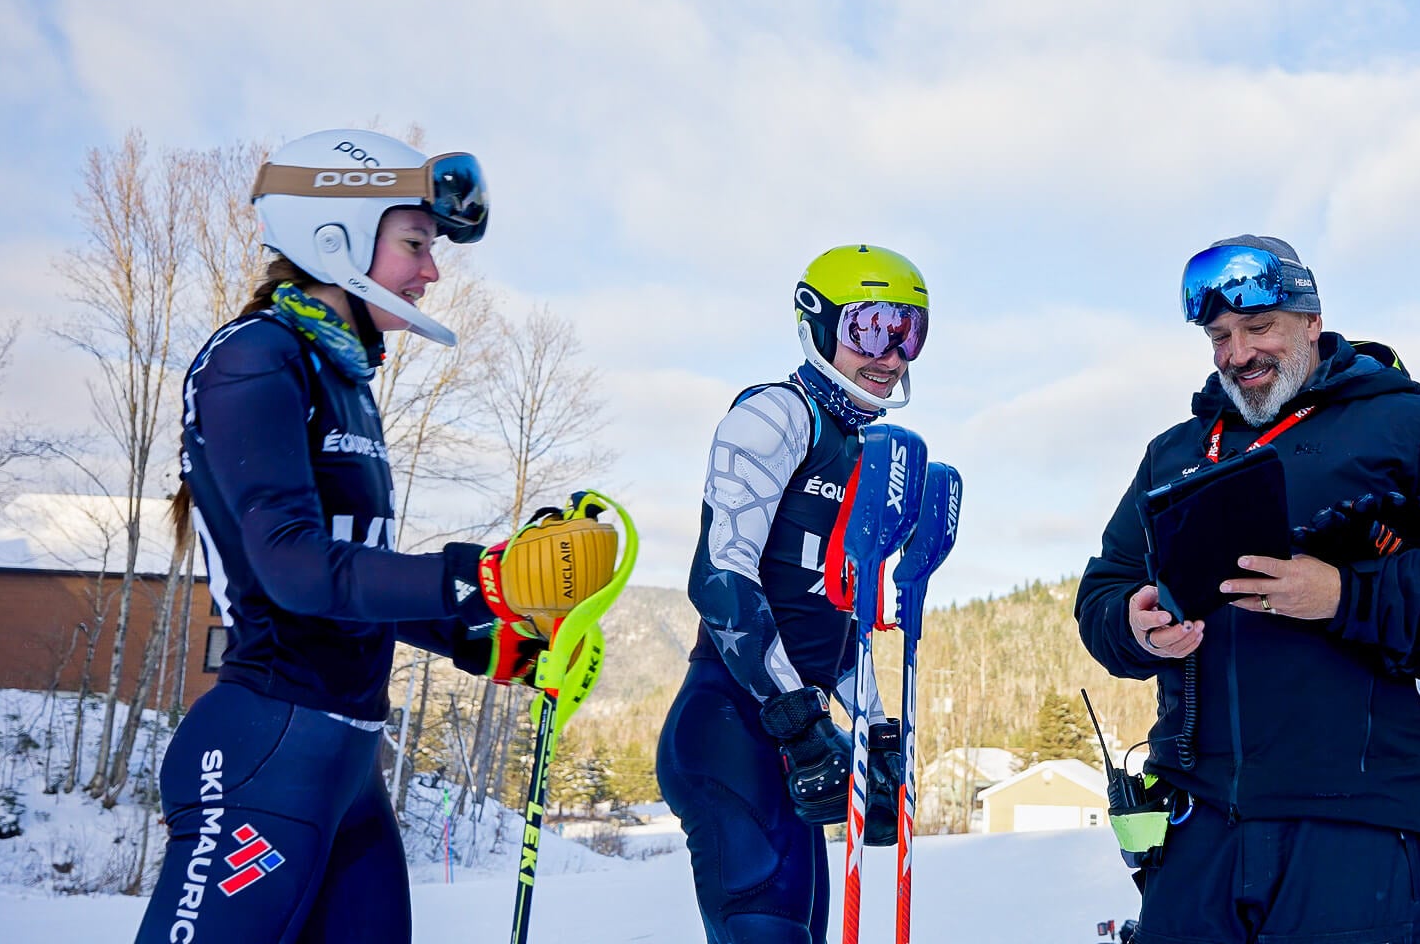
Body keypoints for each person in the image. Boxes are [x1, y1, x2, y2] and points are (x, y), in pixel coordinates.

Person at [133, 129, 613, 943]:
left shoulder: (346, 376)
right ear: (336, 236)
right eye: (417, 243)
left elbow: (354, 580)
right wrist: (484, 577)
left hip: (345, 766)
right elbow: (293, 570)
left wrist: (495, 646)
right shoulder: (254, 358)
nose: (432, 270)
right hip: (268, 750)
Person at [1074, 236, 1420, 944]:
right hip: (1195, 832)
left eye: (1258, 328)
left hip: (1358, 828)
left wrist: (1346, 594)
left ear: (1311, 321)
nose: (1237, 354)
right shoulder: (1174, 452)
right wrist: (1133, 626)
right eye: (1220, 336)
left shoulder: (1411, 427)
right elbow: (1105, 589)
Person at [657, 244, 931, 944]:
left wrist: (874, 729)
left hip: (791, 744)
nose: (892, 354)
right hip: (730, 731)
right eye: (871, 328)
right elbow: (720, 577)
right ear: (817, 324)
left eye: (910, 332)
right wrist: (799, 719)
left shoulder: (865, 450)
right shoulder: (777, 414)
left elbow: (834, 618)